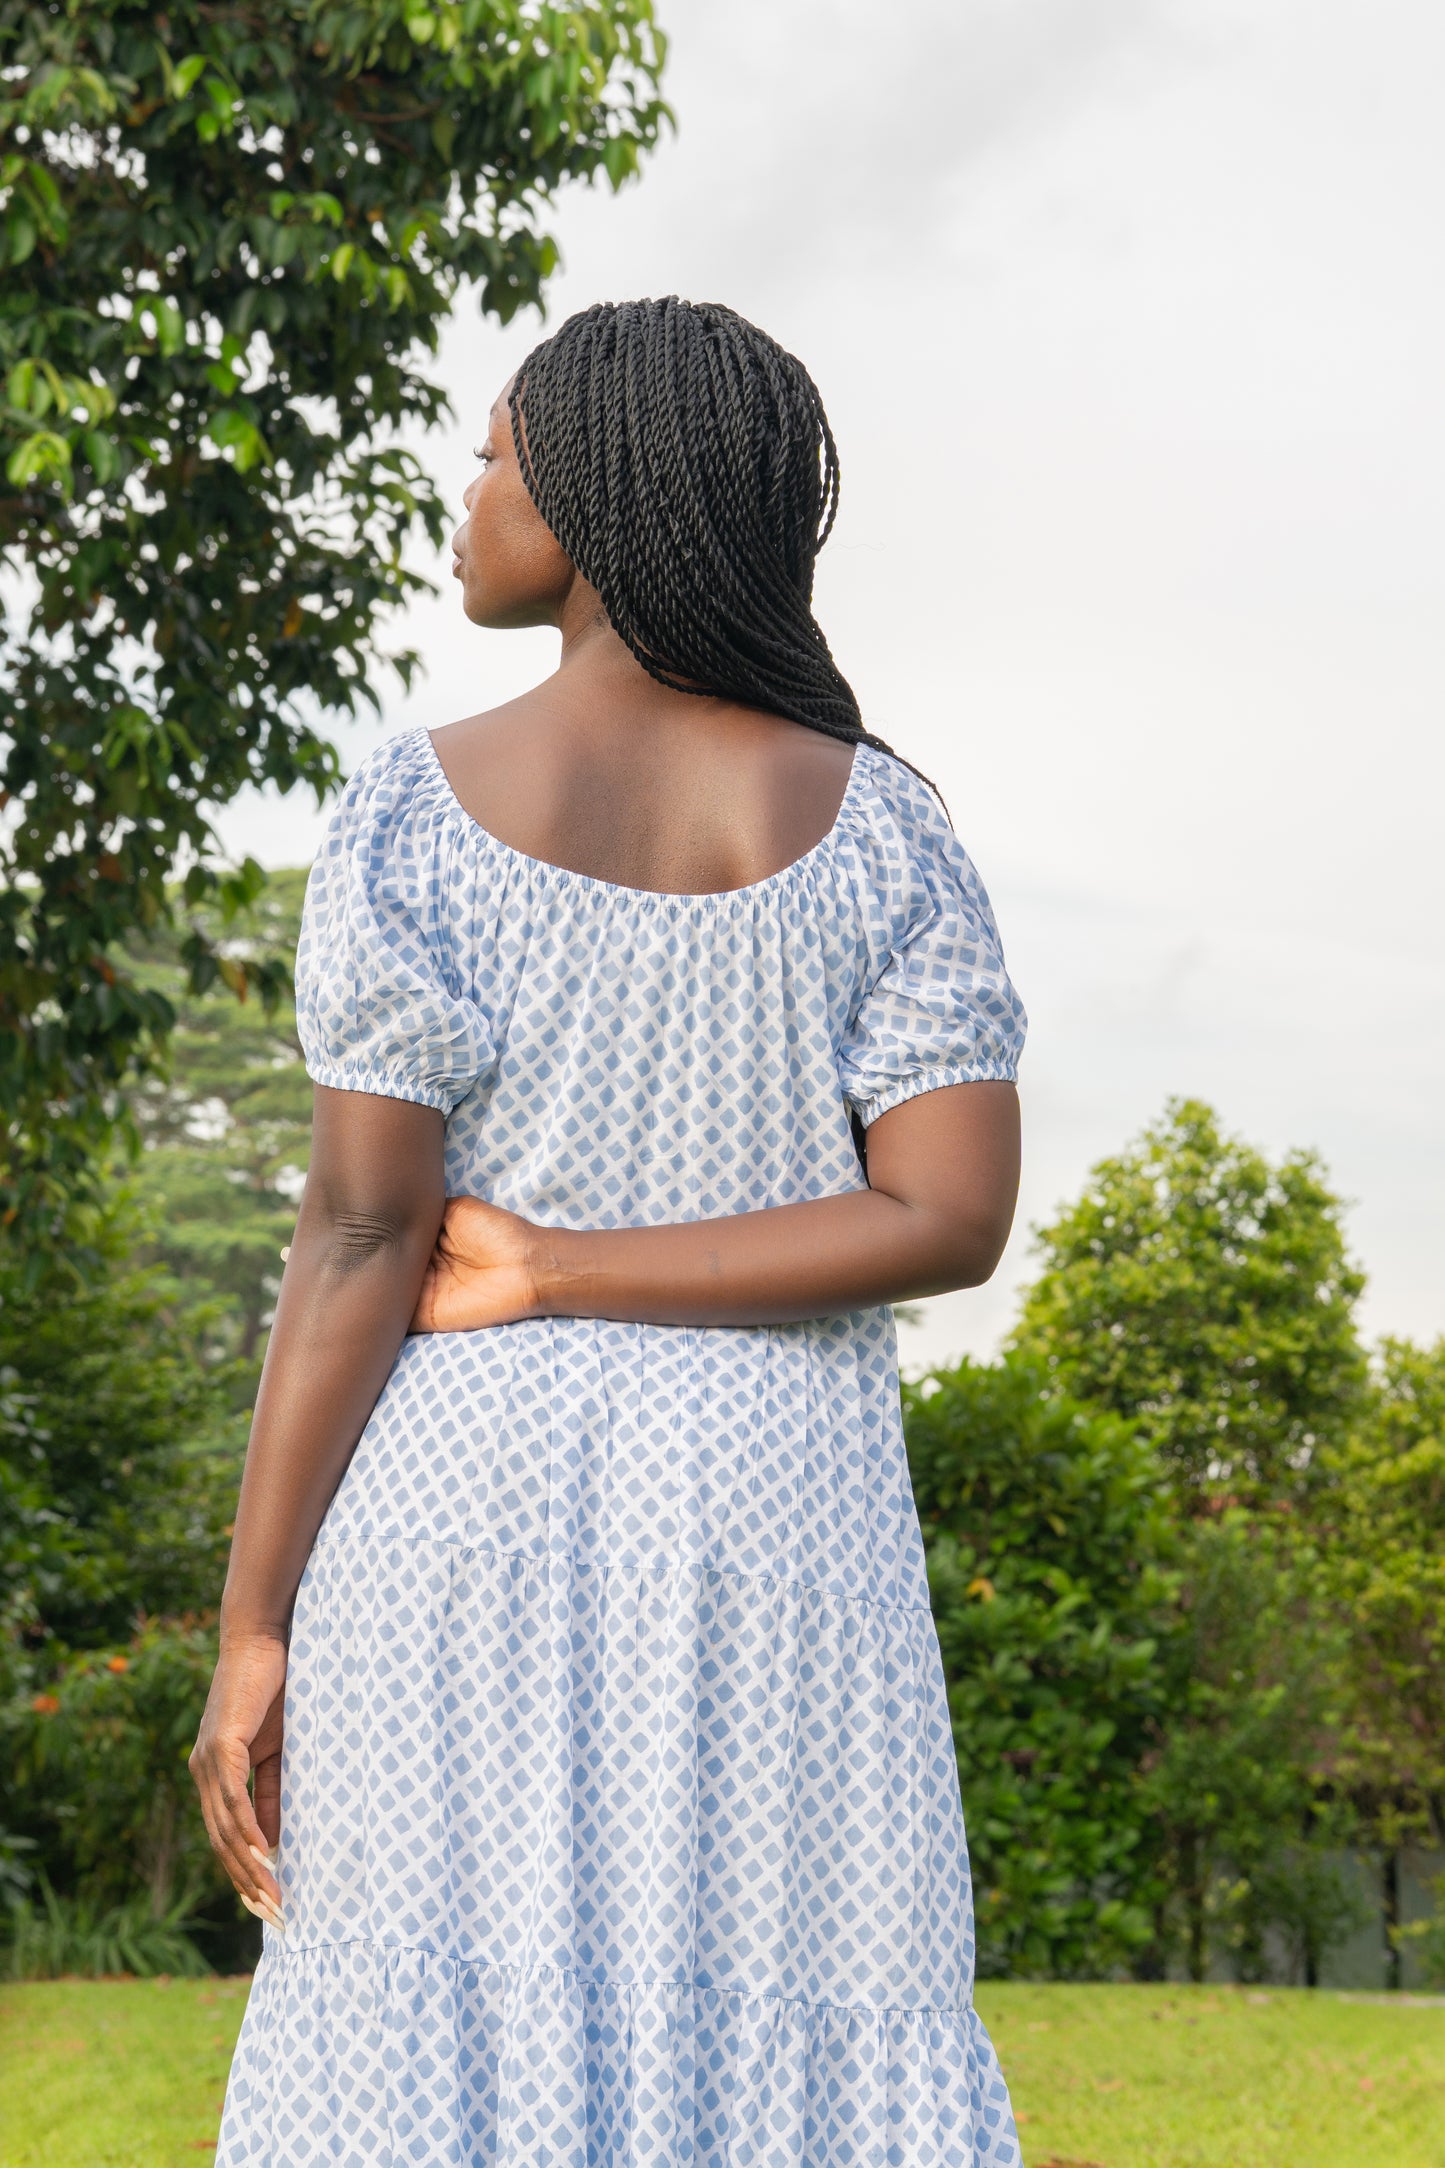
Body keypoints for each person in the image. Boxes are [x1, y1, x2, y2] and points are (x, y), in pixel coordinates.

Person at [191, 297, 1027, 2167]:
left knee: (438, 2050)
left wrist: (255, 1632)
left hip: (455, 1526)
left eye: (493, 453)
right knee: (785, 2036)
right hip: (781, 1533)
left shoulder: (412, 813)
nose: (468, 487)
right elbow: (949, 1216)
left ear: (580, 492)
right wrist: (584, 1264)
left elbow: (353, 1237)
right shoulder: (884, 830)